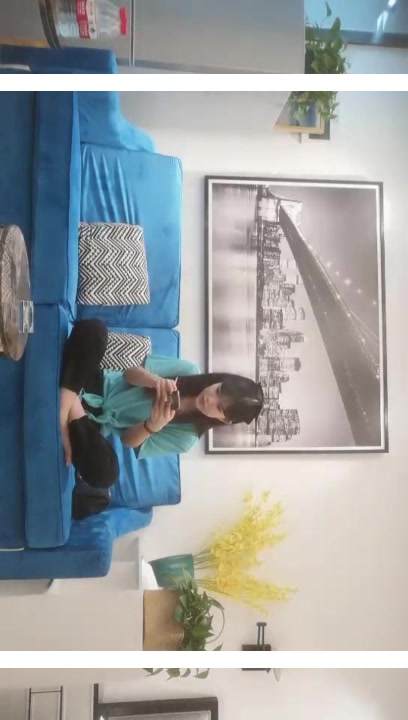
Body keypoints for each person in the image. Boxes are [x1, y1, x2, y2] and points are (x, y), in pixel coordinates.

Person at [60, 320, 264, 493]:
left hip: (92, 424)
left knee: (106, 474)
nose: (209, 399)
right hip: (95, 383)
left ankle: (69, 400)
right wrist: (154, 380)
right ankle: (65, 414)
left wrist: (151, 426)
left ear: (223, 419)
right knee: (95, 331)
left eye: (218, 407)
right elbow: (128, 374)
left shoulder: (186, 439)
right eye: (217, 391)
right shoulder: (188, 371)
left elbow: (126, 440)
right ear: (217, 381)